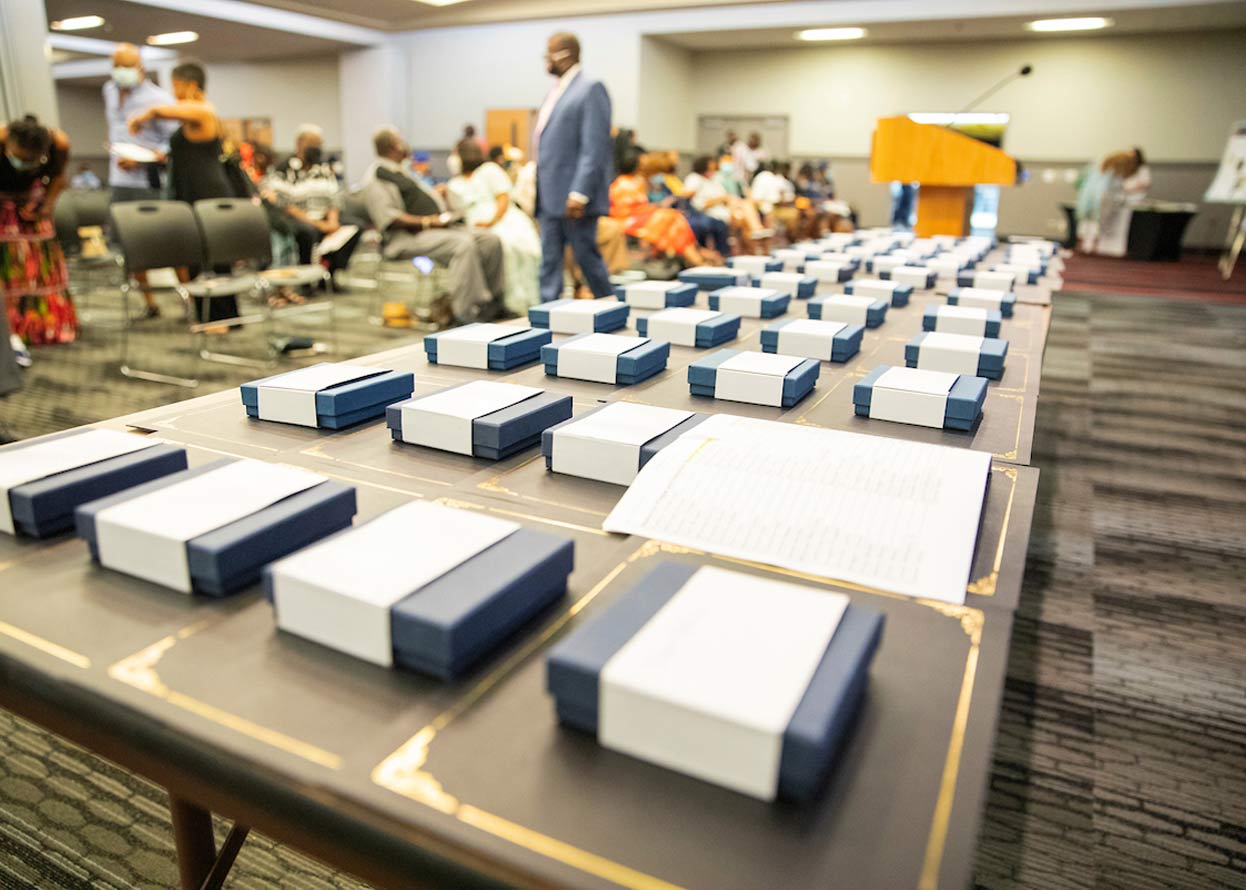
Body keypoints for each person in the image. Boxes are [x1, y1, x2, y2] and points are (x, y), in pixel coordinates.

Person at [128, 60, 239, 323]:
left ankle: (219, 318)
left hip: (206, 190)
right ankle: (207, 316)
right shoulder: (198, 113)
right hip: (192, 189)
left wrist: (144, 116)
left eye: (177, 86)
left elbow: (160, 110)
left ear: (191, 85)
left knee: (211, 259)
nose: (174, 93)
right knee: (198, 257)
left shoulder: (203, 111)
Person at [362, 126, 506, 322]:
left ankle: (491, 304)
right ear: (394, 146)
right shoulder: (377, 176)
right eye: (400, 140)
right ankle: (467, 312)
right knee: (463, 245)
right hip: (407, 237)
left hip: (436, 228)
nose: (405, 143)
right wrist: (428, 221)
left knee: (490, 240)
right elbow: (388, 218)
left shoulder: (400, 170)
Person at [533, 32, 614, 302]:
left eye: (549, 53)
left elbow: (594, 147)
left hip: (573, 197)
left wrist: (579, 192)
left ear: (565, 54)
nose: (546, 59)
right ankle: (547, 319)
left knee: (586, 258)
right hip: (549, 194)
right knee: (549, 262)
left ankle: (609, 309)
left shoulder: (591, 88)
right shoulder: (556, 91)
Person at [106, 42, 178, 317]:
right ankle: (150, 303)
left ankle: (189, 301)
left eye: (126, 66)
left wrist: (145, 158)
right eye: (116, 65)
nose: (120, 71)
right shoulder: (108, 91)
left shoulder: (158, 99)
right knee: (130, 246)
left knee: (167, 242)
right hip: (118, 179)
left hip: (148, 182)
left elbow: (173, 143)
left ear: (140, 68)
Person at [1, 115, 76, 347]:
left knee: (41, 267)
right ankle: (8, 329)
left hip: (33, 204)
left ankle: (42, 326)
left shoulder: (58, 144)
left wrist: (46, 206)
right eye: (19, 157)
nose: (24, 163)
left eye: (31, 160)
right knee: (8, 267)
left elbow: (58, 177)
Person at [449, 140, 541, 314]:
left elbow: (503, 197)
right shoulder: (455, 183)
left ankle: (522, 303)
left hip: (502, 220)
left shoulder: (488, 170)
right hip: (475, 227)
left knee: (516, 249)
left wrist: (491, 222)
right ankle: (495, 300)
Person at [267, 123, 358, 275]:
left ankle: (329, 272)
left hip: (324, 217)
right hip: (298, 219)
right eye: (313, 144)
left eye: (319, 144)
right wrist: (319, 224)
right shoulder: (283, 169)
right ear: (299, 143)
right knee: (307, 232)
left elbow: (334, 197)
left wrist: (332, 222)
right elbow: (284, 204)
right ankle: (306, 279)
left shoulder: (323, 169)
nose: (317, 147)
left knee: (355, 226)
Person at [610, 148, 712, 266]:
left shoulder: (638, 182)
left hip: (640, 216)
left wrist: (653, 207)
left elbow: (641, 206)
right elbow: (623, 211)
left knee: (674, 217)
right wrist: (654, 208)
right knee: (670, 217)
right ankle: (695, 258)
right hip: (627, 220)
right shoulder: (620, 185)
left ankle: (694, 254)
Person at [1076, 147, 1150, 256]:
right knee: (1094, 224)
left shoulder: (1105, 172)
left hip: (1102, 202)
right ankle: (1090, 246)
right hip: (1103, 202)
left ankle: (1090, 246)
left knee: (1093, 224)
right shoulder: (1107, 173)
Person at [685, 155, 767, 244]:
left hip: (725, 207)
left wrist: (725, 199)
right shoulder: (694, 179)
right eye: (711, 167)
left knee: (745, 208)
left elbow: (725, 196)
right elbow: (699, 204)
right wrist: (721, 199)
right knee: (742, 218)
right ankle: (756, 232)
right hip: (710, 211)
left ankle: (753, 241)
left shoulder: (714, 181)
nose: (713, 169)